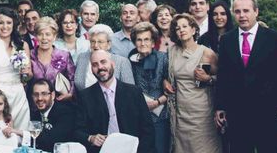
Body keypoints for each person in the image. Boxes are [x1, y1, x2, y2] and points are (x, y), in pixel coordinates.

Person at [215, 0, 277, 153]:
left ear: (256, 12)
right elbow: (223, 76)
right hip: (237, 113)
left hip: (267, 112)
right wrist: (220, 106)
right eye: (237, 11)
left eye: (246, 11)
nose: (242, 15)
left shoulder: (274, 38)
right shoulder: (227, 40)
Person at [74, 50, 154, 153]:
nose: (100, 67)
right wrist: (91, 138)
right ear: (92, 69)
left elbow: (148, 130)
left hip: (133, 149)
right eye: (95, 64)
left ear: (113, 64)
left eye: (103, 62)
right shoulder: (85, 96)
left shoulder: (133, 92)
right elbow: (77, 131)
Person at [166, 13, 220, 153]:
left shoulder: (206, 52)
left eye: (185, 26)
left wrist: (208, 79)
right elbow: (166, 73)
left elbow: (223, 79)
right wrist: (164, 81)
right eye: (177, 28)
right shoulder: (171, 52)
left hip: (202, 112)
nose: (181, 30)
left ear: (194, 30)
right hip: (180, 112)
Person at [0, 8, 31, 131]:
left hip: (18, 94)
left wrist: (26, 74)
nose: (4, 26)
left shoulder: (22, 45)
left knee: (19, 132)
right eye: (1, 22)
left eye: (8, 23)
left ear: (13, 24)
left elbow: (28, 75)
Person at [129, 22, 169, 153]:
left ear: (153, 42)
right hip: (138, 116)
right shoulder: (131, 61)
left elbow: (174, 87)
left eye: (146, 39)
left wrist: (157, 102)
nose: (142, 43)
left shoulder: (163, 58)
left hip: (160, 115)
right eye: (139, 40)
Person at [74, 24, 135, 91]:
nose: (96, 45)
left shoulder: (122, 62)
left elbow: (130, 90)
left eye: (100, 42)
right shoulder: (82, 58)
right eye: (93, 41)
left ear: (108, 44)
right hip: (84, 100)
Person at [29, 17, 76, 101]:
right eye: (40, 34)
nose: (44, 38)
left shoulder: (64, 55)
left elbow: (72, 79)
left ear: (54, 36)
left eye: (48, 34)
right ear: (36, 36)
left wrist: (70, 94)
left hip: (59, 104)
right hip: (35, 105)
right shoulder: (30, 55)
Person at [30, 79, 77, 151]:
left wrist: (23, 134)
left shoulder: (65, 113)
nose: (39, 98)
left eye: (44, 94)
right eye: (36, 94)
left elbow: (52, 140)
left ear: (53, 95)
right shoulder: (34, 115)